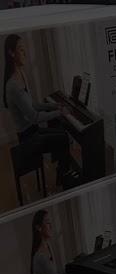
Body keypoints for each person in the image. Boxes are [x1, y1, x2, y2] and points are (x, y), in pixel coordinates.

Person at [3, 34, 81, 189]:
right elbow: (34, 117)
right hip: (28, 138)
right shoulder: (12, 86)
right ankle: (64, 176)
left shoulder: (21, 75)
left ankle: (62, 171)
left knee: (60, 133)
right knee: (63, 138)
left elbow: (33, 105)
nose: (25, 52)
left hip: (34, 132)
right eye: (21, 49)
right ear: (11, 53)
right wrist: (61, 112)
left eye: (25, 48)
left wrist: (54, 107)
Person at [30, 210, 69, 274]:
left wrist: (70, 268)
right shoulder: (40, 257)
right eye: (47, 222)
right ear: (38, 228)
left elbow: (55, 272)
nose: (51, 225)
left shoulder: (47, 246)